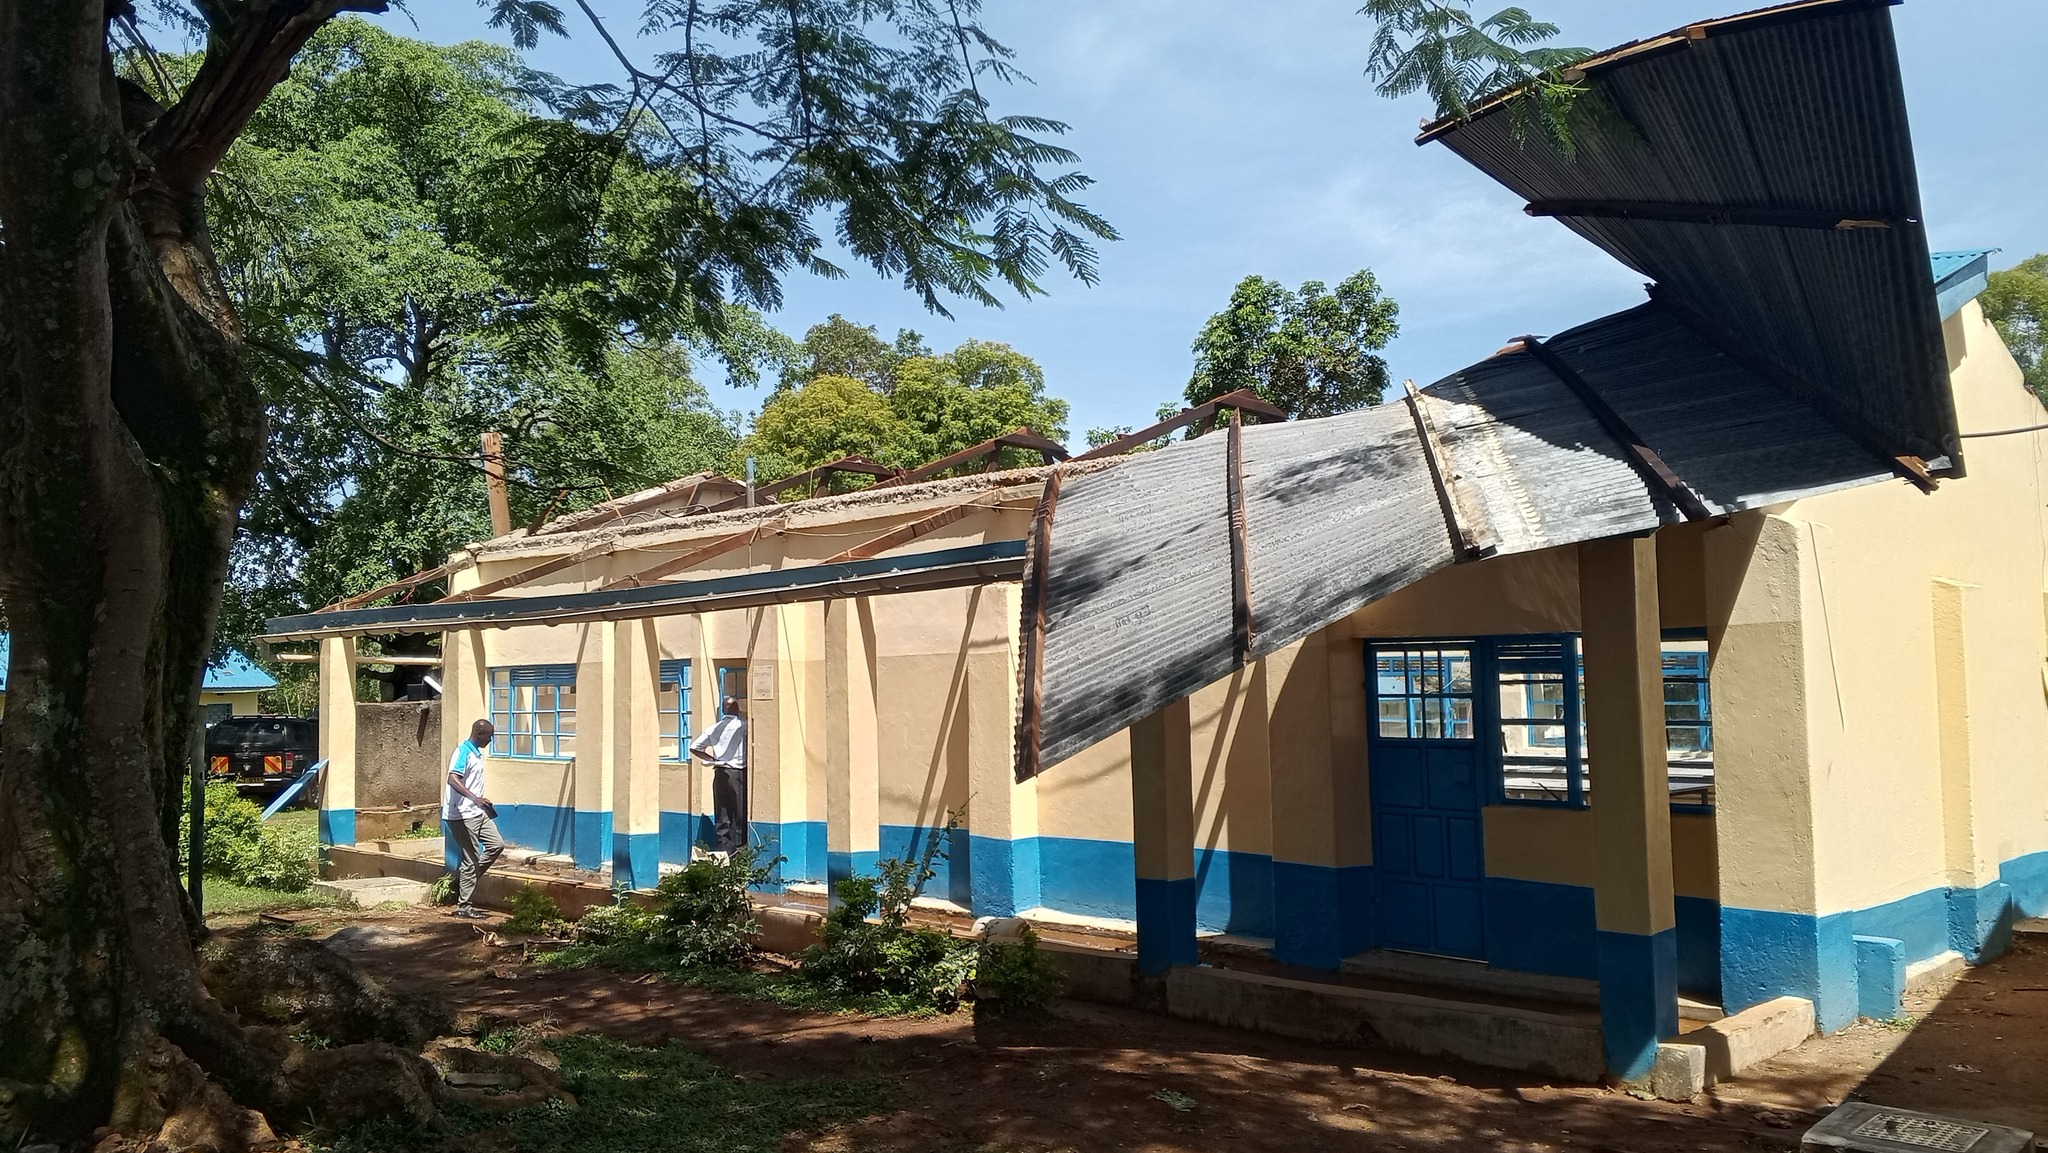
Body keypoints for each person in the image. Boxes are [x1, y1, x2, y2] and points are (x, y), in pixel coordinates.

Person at [444, 718, 502, 919]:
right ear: (479, 733)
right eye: (489, 736)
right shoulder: (463, 752)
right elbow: (452, 779)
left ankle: (465, 880)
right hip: (461, 815)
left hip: (477, 812)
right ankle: (464, 906)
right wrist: (475, 798)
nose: (490, 740)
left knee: (496, 845)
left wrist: (480, 801)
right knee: (471, 859)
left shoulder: (477, 754)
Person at [690, 696, 748, 854]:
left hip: (720, 772)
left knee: (722, 812)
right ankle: (739, 851)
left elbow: (694, 747)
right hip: (737, 772)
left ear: (723, 710)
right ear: (738, 710)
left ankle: (724, 851)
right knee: (739, 813)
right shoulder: (744, 726)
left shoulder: (713, 728)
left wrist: (711, 759)